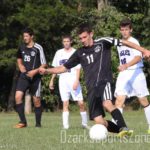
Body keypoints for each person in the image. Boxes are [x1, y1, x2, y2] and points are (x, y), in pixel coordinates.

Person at [39, 23, 150, 137]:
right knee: (98, 120)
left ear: (91, 34)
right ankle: (122, 132)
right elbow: (63, 68)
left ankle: (123, 127)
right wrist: (47, 71)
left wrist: (144, 50)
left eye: (84, 37)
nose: (82, 40)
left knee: (107, 103)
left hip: (104, 81)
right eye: (80, 38)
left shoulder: (102, 42)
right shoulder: (79, 52)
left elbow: (124, 42)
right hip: (91, 88)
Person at [113, 18, 150, 134]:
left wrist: (126, 65)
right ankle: (118, 129)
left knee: (143, 100)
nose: (124, 32)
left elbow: (138, 57)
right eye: (122, 30)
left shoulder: (134, 41)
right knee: (119, 100)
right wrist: (124, 67)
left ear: (131, 30)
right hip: (124, 74)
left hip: (136, 73)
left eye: (126, 30)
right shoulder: (119, 43)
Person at [49, 35, 87, 129]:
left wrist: (77, 81)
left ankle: (84, 124)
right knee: (65, 103)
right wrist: (52, 80)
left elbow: (78, 68)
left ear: (71, 42)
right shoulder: (59, 53)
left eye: (68, 41)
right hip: (63, 81)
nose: (66, 43)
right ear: (62, 42)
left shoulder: (75, 52)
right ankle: (65, 126)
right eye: (64, 41)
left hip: (73, 79)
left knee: (81, 103)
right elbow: (56, 68)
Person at [15, 28, 47, 128]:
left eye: (26, 36)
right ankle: (23, 122)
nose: (25, 38)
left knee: (36, 100)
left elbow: (44, 64)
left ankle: (38, 124)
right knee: (18, 97)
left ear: (32, 36)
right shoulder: (21, 47)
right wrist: (20, 66)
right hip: (24, 76)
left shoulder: (38, 48)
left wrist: (35, 71)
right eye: (24, 36)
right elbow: (19, 58)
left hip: (36, 78)